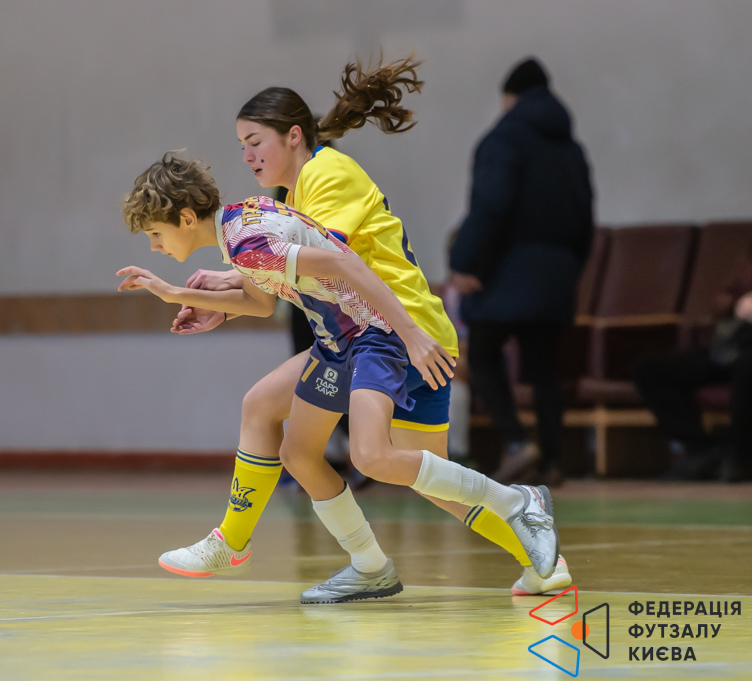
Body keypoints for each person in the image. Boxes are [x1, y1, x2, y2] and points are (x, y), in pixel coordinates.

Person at [171, 56, 572, 597]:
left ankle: (513, 509)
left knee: (381, 460)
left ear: (293, 136)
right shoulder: (294, 194)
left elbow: (330, 266)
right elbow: (293, 276)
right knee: (319, 445)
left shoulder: (327, 174)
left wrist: (221, 283)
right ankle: (535, 561)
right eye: (241, 145)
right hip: (360, 335)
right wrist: (227, 291)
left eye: (255, 141)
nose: (247, 156)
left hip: (393, 330)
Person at [449, 57, 594, 487]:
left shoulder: (503, 139)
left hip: (506, 271)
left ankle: (516, 443)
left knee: (483, 352)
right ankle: (552, 461)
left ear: (509, 97)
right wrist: (571, 268)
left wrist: (464, 261)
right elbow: (585, 218)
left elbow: (491, 206)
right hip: (557, 273)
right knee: (544, 367)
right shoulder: (571, 149)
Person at [635, 246, 752, 483]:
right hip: (736, 341)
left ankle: (740, 456)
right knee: (652, 370)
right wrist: (736, 305)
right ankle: (702, 451)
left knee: (747, 369)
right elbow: (721, 300)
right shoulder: (747, 260)